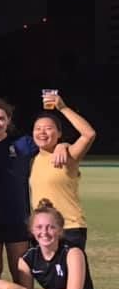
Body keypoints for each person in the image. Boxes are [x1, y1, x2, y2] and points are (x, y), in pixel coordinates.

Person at [0, 99, 67, 281]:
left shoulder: (23, 143)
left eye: (0, 119)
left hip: (18, 219)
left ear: (8, 120)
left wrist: (62, 145)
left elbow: (48, 143)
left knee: (21, 273)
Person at [28, 92, 96, 250]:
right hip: (42, 229)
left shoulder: (68, 156)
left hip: (69, 228)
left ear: (58, 133)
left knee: (75, 274)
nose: (42, 132)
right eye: (38, 129)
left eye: (48, 128)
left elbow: (89, 134)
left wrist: (63, 108)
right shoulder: (32, 160)